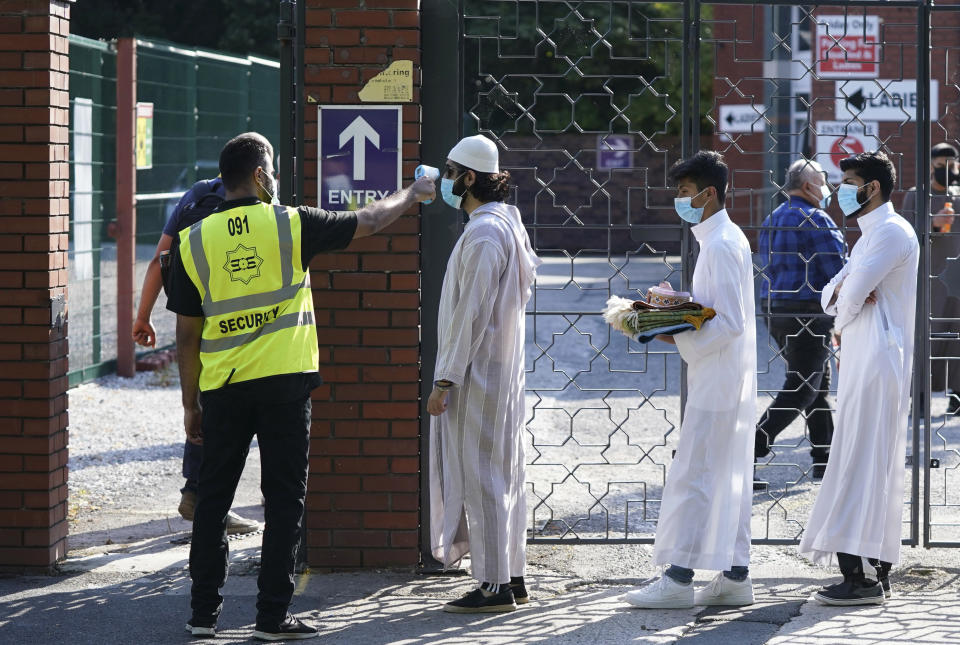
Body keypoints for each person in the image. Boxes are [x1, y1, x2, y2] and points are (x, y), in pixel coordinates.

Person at [166, 132, 435, 640]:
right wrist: (413, 193)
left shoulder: (192, 238)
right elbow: (370, 221)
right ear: (261, 175)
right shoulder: (290, 223)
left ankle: (202, 617)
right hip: (284, 386)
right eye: (273, 171)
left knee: (214, 500)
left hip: (223, 388)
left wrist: (190, 402)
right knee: (284, 499)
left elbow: (186, 332)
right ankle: (271, 619)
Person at [623, 150, 757, 609]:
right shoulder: (722, 237)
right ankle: (736, 576)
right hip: (724, 376)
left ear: (709, 193)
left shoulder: (720, 243)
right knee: (727, 474)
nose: (680, 201)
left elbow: (730, 321)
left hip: (718, 378)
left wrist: (669, 333)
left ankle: (678, 580)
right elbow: (712, 308)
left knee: (696, 473)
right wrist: (674, 304)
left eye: (684, 193)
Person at [426, 134, 541, 613]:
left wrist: (444, 379)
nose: (446, 182)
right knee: (504, 475)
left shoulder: (484, 234)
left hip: (478, 374)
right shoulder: (505, 225)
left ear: (469, 178)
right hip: (500, 370)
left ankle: (494, 586)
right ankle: (511, 576)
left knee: (484, 479)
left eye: (451, 173)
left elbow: (469, 315)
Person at [799, 151, 919, 605]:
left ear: (872, 187)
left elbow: (845, 296)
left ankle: (864, 577)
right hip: (861, 356)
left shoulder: (890, 232)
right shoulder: (869, 235)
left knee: (866, 464)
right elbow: (834, 293)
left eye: (848, 182)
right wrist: (845, 298)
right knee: (857, 460)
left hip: (877, 361)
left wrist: (845, 300)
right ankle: (866, 572)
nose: (841, 190)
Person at [132, 175, 259, 535]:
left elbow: (160, 259)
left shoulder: (198, 193)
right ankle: (211, 505)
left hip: (196, 316)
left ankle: (195, 492)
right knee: (245, 413)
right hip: (242, 323)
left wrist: (143, 316)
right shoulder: (260, 198)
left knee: (202, 404)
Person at [754, 159, 845, 486]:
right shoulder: (817, 218)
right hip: (807, 311)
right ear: (808, 186)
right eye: (823, 181)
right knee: (803, 388)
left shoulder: (772, 218)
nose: (828, 188)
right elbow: (839, 271)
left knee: (815, 384)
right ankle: (749, 449)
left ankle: (825, 460)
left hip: (775, 309)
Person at [901, 142, 960, 415]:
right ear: (930, 167)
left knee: (956, 340)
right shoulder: (917, 196)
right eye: (940, 167)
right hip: (928, 280)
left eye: (951, 166)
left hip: (956, 281)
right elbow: (906, 235)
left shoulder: (958, 196)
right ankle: (920, 399)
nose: (946, 172)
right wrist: (932, 224)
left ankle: (956, 397)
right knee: (926, 339)